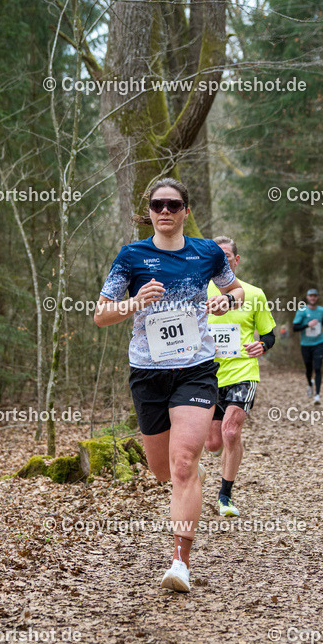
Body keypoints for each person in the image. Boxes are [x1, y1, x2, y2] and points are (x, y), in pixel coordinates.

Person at [94, 178, 244, 593]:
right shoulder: (132, 256)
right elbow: (101, 314)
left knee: (183, 464)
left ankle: (180, 562)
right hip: (148, 372)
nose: (165, 211)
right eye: (158, 204)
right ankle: (184, 505)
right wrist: (135, 303)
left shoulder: (208, 252)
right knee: (162, 471)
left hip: (196, 368)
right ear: (150, 211)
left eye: (173, 205)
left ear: (186, 211)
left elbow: (236, 294)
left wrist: (224, 301)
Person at [205, 237, 276, 517]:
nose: (222, 261)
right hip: (206, 374)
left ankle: (225, 496)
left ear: (236, 260)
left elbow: (268, 333)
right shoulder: (199, 291)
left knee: (231, 432)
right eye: (216, 257)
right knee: (212, 443)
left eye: (226, 256)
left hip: (243, 371)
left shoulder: (254, 293)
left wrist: (263, 345)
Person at [292, 288, 323, 403]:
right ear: (307, 297)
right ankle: (310, 383)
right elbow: (295, 328)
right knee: (309, 368)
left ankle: (317, 395)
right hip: (306, 344)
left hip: (319, 343)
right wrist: (307, 325)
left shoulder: (321, 310)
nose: (313, 298)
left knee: (318, 368)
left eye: (315, 296)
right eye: (311, 296)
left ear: (317, 297)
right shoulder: (302, 311)